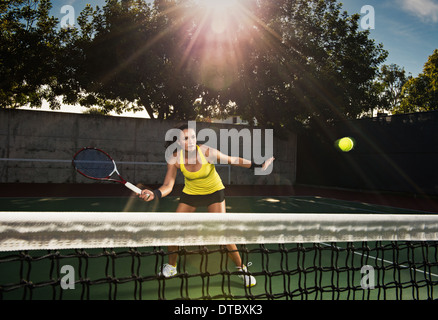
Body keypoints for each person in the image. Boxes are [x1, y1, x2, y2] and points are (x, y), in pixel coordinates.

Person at [139, 123, 274, 288]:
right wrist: (155, 194)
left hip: (214, 192)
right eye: (186, 138)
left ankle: (241, 268)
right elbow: (168, 185)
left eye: (193, 137)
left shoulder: (206, 151)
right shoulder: (174, 158)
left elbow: (233, 160)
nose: (190, 141)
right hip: (191, 193)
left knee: (222, 232)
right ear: (179, 143)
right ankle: (172, 266)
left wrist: (259, 165)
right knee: (173, 228)